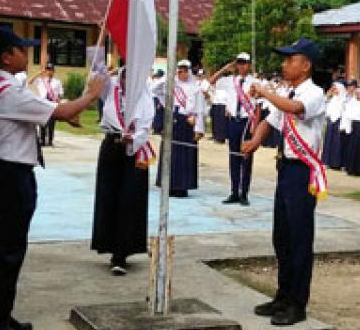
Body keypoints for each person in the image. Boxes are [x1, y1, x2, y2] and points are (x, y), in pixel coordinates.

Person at [0, 28, 107, 330]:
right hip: (10, 175)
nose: (28, 54)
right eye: (22, 49)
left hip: (0, 169)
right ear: (7, 56)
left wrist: (64, 115)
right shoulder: (10, 91)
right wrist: (92, 93)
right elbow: (62, 111)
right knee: (7, 253)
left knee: (1, 250)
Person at [241, 38, 326, 326]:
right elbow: (273, 120)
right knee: (282, 237)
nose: (285, 64)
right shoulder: (287, 92)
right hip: (285, 169)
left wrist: (264, 91)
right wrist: (255, 140)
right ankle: (283, 295)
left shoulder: (314, 93)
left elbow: (292, 107)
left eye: (291, 59)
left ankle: (297, 304)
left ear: (305, 65)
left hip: (303, 172)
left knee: (300, 238)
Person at [91, 36, 155, 275]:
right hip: (111, 146)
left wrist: (134, 138)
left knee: (130, 200)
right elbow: (95, 72)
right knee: (109, 196)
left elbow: (146, 126)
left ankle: (123, 252)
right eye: (126, 75)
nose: (129, 81)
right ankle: (109, 245)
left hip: (134, 152)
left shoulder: (144, 98)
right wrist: (104, 37)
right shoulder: (111, 89)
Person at [208, 52, 260, 205]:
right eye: (239, 63)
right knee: (233, 158)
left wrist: (254, 125)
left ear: (249, 65)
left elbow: (258, 106)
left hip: (246, 121)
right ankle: (234, 191)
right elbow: (210, 82)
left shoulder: (254, 82)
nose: (241, 66)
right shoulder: (230, 80)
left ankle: (244, 193)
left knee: (246, 157)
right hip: (232, 121)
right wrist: (224, 69)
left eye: (244, 63)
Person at [156, 59, 205, 198]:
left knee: (185, 155)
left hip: (187, 121)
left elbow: (200, 109)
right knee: (169, 153)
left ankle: (182, 186)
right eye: (180, 70)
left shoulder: (195, 87)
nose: (182, 73)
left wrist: (198, 128)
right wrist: (169, 76)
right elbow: (155, 89)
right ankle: (169, 184)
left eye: (184, 70)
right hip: (172, 118)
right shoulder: (172, 84)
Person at [340, 80, 360, 177]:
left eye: (359, 93)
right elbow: (348, 117)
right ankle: (350, 169)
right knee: (351, 149)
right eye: (356, 93)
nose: (357, 95)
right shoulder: (351, 104)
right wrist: (347, 128)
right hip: (352, 127)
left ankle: (358, 170)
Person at [29, 63, 64, 147]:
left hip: (52, 104)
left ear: (53, 71)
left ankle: (50, 141)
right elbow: (30, 81)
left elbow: (60, 93)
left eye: (51, 70)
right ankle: (42, 140)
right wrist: (39, 73)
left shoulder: (57, 82)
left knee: (52, 124)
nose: (49, 72)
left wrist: (58, 102)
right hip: (43, 103)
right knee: (42, 123)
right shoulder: (41, 80)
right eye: (47, 70)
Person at [321, 80, 346, 170]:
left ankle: (336, 163)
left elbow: (345, 113)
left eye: (336, 89)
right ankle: (327, 161)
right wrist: (327, 96)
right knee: (328, 142)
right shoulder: (332, 99)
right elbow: (323, 107)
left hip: (339, 122)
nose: (334, 90)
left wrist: (343, 125)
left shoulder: (344, 100)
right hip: (330, 121)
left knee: (338, 143)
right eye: (333, 88)